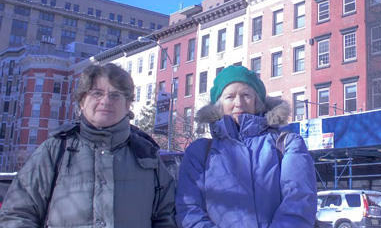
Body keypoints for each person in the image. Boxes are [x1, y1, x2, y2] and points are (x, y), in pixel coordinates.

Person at [0, 63, 176, 228]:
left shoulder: (147, 156)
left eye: (115, 95)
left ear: (128, 104)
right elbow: (17, 215)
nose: (106, 101)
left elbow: (166, 217)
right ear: (82, 101)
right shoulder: (54, 150)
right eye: (97, 93)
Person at [176, 65, 317, 228]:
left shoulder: (288, 144)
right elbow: (189, 209)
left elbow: (299, 203)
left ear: (256, 101)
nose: (239, 103)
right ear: (219, 104)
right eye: (230, 97)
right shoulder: (199, 152)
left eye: (246, 95)